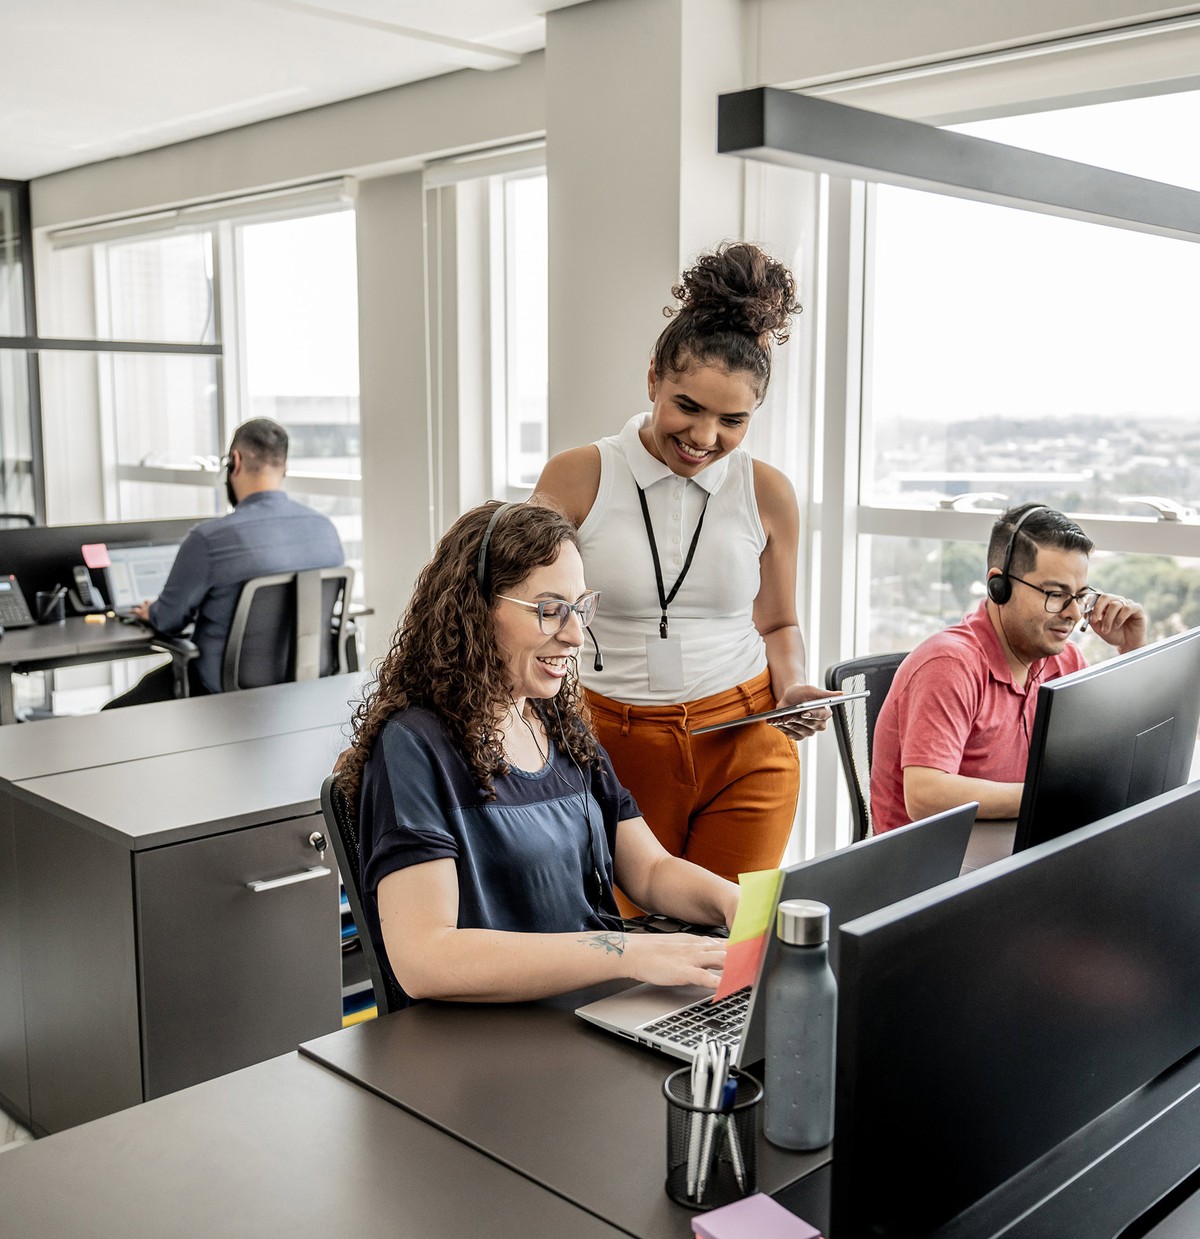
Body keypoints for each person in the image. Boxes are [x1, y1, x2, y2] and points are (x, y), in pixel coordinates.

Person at [337, 500, 739, 1004]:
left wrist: (732, 902)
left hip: (592, 1006)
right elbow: (425, 958)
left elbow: (650, 870)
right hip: (497, 1039)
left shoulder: (557, 724)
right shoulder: (416, 746)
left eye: (579, 608)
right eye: (550, 610)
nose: (574, 635)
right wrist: (628, 952)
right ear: (477, 607)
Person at [534, 241, 834, 911]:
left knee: (738, 942)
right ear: (652, 380)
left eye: (733, 420)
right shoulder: (579, 475)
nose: (704, 436)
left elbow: (780, 622)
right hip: (612, 744)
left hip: (744, 737)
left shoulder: (769, 492)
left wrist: (796, 687)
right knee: (624, 950)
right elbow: (524, 610)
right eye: (687, 406)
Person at [870, 503, 1147, 833]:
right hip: (936, 874)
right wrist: (1044, 796)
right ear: (999, 586)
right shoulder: (949, 665)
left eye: (1080, 596)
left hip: (1014, 853)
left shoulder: (1064, 661)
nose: (1073, 613)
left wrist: (1132, 651)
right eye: (1056, 594)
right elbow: (925, 796)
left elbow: (1109, 763)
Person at [103, 417, 344, 707]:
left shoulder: (209, 540)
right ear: (285, 467)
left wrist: (150, 611)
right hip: (301, 693)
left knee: (112, 712)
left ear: (235, 461)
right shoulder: (325, 531)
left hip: (220, 695)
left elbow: (168, 620)